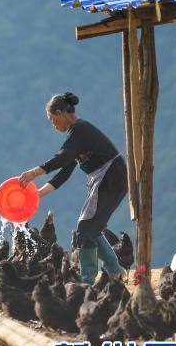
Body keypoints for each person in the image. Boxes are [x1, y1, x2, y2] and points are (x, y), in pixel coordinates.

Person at [17, 92, 129, 284]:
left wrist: (34, 172)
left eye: (53, 120)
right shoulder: (76, 135)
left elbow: (61, 158)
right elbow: (64, 171)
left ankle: (88, 282)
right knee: (91, 229)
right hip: (110, 179)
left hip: (110, 177)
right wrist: (38, 193)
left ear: (61, 113)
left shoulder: (80, 129)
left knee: (85, 229)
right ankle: (115, 270)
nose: (53, 125)